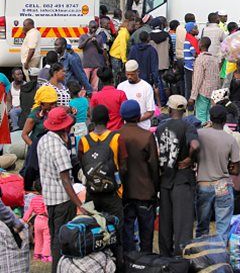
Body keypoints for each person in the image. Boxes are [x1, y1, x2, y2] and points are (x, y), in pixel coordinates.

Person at [78, 105, 127, 268]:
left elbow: (82, 165)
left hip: (92, 194)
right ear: (109, 119)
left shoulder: (84, 140)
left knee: (95, 232)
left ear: (91, 119)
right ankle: (118, 264)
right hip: (113, 193)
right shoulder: (116, 138)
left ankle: (96, 266)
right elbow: (124, 166)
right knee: (117, 231)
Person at [37, 107, 85, 272]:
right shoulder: (60, 150)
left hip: (49, 197)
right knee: (63, 239)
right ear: (64, 128)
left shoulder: (43, 140)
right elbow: (66, 181)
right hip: (63, 201)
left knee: (54, 236)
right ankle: (59, 268)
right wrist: (80, 204)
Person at [156, 95, 199, 256]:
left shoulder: (160, 128)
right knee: (183, 223)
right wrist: (190, 158)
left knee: (165, 223)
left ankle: (165, 256)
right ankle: (181, 257)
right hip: (182, 179)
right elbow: (195, 145)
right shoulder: (188, 127)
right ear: (184, 110)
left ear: (169, 109)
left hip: (165, 179)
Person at [117, 100, 159, 253]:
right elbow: (153, 166)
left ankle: (129, 262)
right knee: (146, 233)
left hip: (124, 192)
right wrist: (156, 188)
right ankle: (146, 262)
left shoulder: (116, 135)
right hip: (145, 191)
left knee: (127, 231)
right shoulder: (146, 136)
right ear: (138, 115)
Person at [194, 105, 240, 242]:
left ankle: (201, 254)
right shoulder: (230, 139)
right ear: (225, 119)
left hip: (204, 184)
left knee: (202, 226)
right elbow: (236, 170)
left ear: (210, 118)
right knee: (223, 225)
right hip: (222, 185)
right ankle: (220, 254)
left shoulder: (200, 134)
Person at [189, 37, 221, 123]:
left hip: (203, 91)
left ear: (200, 45)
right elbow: (217, 76)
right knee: (210, 115)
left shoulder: (200, 60)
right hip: (214, 91)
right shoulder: (214, 59)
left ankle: (203, 133)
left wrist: (193, 96)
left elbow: (197, 79)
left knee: (201, 115)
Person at [117, 60, 156, 130]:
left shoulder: (146, 87)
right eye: (127, 74)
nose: (129, 77)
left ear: (138, 72)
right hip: (126, 129)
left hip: (143, 128)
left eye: (132, 75)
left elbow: (150, 111)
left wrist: (135, 121)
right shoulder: (121, 86)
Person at [23, 183, 50, 262]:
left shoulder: (34, 199)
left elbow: (29, 211)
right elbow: (46, 211)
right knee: (47, 238)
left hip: (37, 220)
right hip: (45, 220)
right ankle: (46, 256)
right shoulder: (45, 199)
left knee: (38, 238)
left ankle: (37, 254)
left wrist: (24, 219)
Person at [78, 20, 107, 92]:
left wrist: (96, 44)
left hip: (96, 65)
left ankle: (93, 100)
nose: (93, 30)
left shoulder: (99, 37)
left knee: (95, 87)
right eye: (92, 28)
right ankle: (83, 100)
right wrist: (89, 38)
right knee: (84, 85)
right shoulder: (83, 36)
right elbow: (80, 47)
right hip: (86, 65)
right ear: (89, 27)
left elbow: (101, 51)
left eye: (95, 28)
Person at [110, 20, 134, 85]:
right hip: (117, 56)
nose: (133, 28)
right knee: (117, 74)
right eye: (132, 26)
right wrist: (124, 60)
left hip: (117, 56)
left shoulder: (124, 32)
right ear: (127, 26)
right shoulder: (124, 33)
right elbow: (123, 47)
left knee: (117, 74)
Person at [68, 81, 89, 146]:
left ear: (70, 92)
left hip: (74, 127)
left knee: (75, 145)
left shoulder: (70, 102)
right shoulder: (85, 100)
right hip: (84, 125)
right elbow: (89, 112)